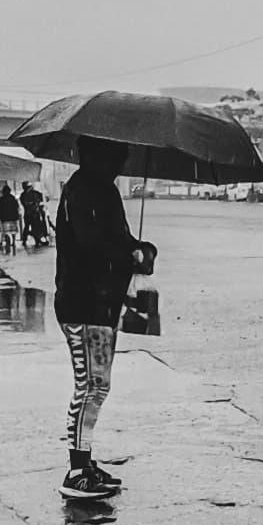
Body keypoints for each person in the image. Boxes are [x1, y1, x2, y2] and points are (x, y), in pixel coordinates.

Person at [54, 138, 154, 500]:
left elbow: (118, 239)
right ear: (99, 154)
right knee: (90, 387)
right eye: (117, 153)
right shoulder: (81, 191)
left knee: (97, 386)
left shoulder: (103, 190)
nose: (123, 160)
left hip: (102, 304)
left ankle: (85, 462)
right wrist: (130, 256)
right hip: (83, 304)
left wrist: (140, 249)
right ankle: (77, 470)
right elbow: (90, 244)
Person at [21, 181, 50, 246]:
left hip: (32, 213)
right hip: (33, 213)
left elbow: (45, 198)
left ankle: (34, 240)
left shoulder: (26, 194)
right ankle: (35, 239)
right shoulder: (30, 194)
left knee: (33, 227)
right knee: (34, 227)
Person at [0, 183, 22, 250]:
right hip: (13, 217)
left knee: (6, 231)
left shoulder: (2, 199)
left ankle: (8, 242)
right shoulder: (12, 198)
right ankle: (13, 242)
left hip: (5, 218)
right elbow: (17, 206)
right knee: (13, 231)